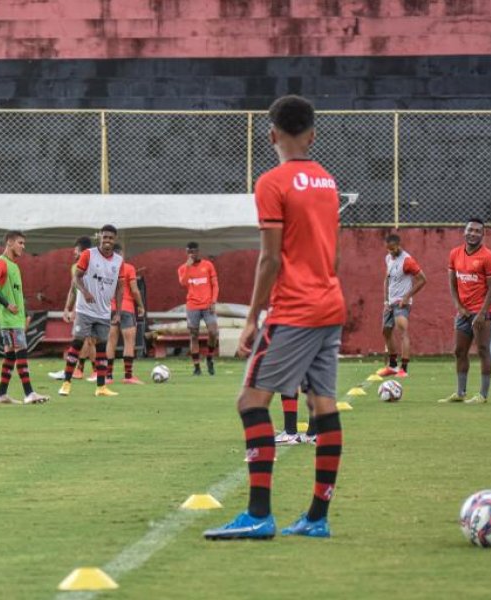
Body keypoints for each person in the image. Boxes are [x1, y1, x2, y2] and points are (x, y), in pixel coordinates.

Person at [205, 95, 345, 540]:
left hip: (295, 308)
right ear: (313, 134)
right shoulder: (327, 181)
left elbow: (269, 259)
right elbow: (329, 250)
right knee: (322, 405)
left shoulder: (272, 182)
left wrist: (251, 319)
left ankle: (258, 514)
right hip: (330, 303)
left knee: (250, 402)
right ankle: (317, 519)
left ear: (271, 134)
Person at [59, 225, 125, 398]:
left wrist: (117, 311)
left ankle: (101, 387)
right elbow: (76, 277)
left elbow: (119, 287)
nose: (107, 241)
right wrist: (86, 292)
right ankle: (66, 383)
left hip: (103, 312)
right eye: (104, 237)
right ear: (100, 238)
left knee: (102, 348)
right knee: (77, 342)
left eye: (110, 238)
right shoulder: (89, 254)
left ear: (115, 239)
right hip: (85, 309)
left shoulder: (118, 261)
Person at [439, 218, 491, 404]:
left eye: (477, 231)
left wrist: (482, 313)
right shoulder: (454, 253)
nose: (473, 233)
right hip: (463, 312)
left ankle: (483, 395)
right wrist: (458, 306)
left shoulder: (487, 257)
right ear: (464, 231)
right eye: (470, 230)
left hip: (482, 312)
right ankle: (460, 393)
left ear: (483, 234)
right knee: (459, 351)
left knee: (483, 350)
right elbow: (452, 282)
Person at [0, 230, 49, 405]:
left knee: (11, 357)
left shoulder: (13, 266)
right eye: (20, 243)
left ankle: (1, 394)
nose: (23, 246)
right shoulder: (2, 263)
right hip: (9, 318)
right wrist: (7, 304)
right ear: (9, 242)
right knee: (21, 353)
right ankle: (29, 393)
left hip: (15, 319)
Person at [377, 234, 426, 377]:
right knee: (386, 331)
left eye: (392, 249)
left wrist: (407, 297)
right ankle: (392, 366)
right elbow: (387, 280)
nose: (390, 252)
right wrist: (385, 301)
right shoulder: (388, 259)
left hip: (401, 303)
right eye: (388, 249)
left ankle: (403, 368)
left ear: (398, 245)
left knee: (402, 331)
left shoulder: (407, 261)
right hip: (390, 303)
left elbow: (423, 280)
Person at [50, 236, 95, 381]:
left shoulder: (92, 266)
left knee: (87, 339)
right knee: (85, 339)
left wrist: (76, 310)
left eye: (76, 250)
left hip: (89, 308)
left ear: (83, 251)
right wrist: (66, 308)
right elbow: (73, 288)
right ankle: (82, 370)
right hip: (82, 308)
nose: (73, 253)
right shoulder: (75, 267)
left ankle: (81, 371)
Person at [104, 243, 145, 385]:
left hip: (110, 309)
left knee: (111, 342)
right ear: (121, 254)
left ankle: (108, 376)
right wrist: (140, 305)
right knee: (129, 342)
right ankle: (128, 376)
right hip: (126, 308)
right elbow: (134, 290)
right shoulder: (128, 268)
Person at [178, 241, 220, 376]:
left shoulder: (208, 265)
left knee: (213, 332)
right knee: (193, 335)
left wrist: (213, 301)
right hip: (192, 306)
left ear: (198, 251)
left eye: (194, 252)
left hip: (208, 305)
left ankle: (209, 357)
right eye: (189, 252)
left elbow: (215, 285)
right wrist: (187, 267)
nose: (192, 254)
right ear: (186, 253)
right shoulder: (182, 268)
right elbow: (183, 283)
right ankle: (197, 367)